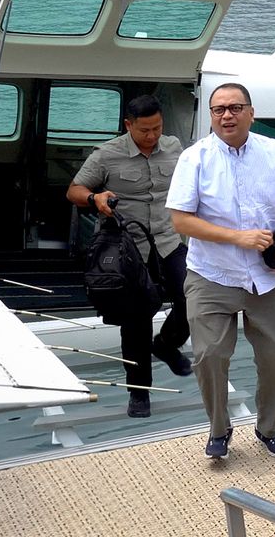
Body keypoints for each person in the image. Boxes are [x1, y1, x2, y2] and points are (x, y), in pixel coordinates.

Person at [166, 82, 275, 460]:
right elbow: (181, 221)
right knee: (209, 355)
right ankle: (219, 430)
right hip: (211, 274)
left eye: (235, 108)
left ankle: (269, 429)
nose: (226, 115)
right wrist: (238, 238)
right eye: (218, 110)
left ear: (251, 112)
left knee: (274, 357)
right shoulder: (194, 159)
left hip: (269, 276)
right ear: (211, 116)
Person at [67, 94, 191, 419]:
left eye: (157, 129)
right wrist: (95, 197)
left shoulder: (174, 147)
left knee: (194, 299)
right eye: (145, 130)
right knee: (135, 323)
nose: (152, 136)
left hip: (167, 240)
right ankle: (140, 393)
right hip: (128, 249)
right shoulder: (107, 155)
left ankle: (166, 344)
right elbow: (74, 191)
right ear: (128, 125)